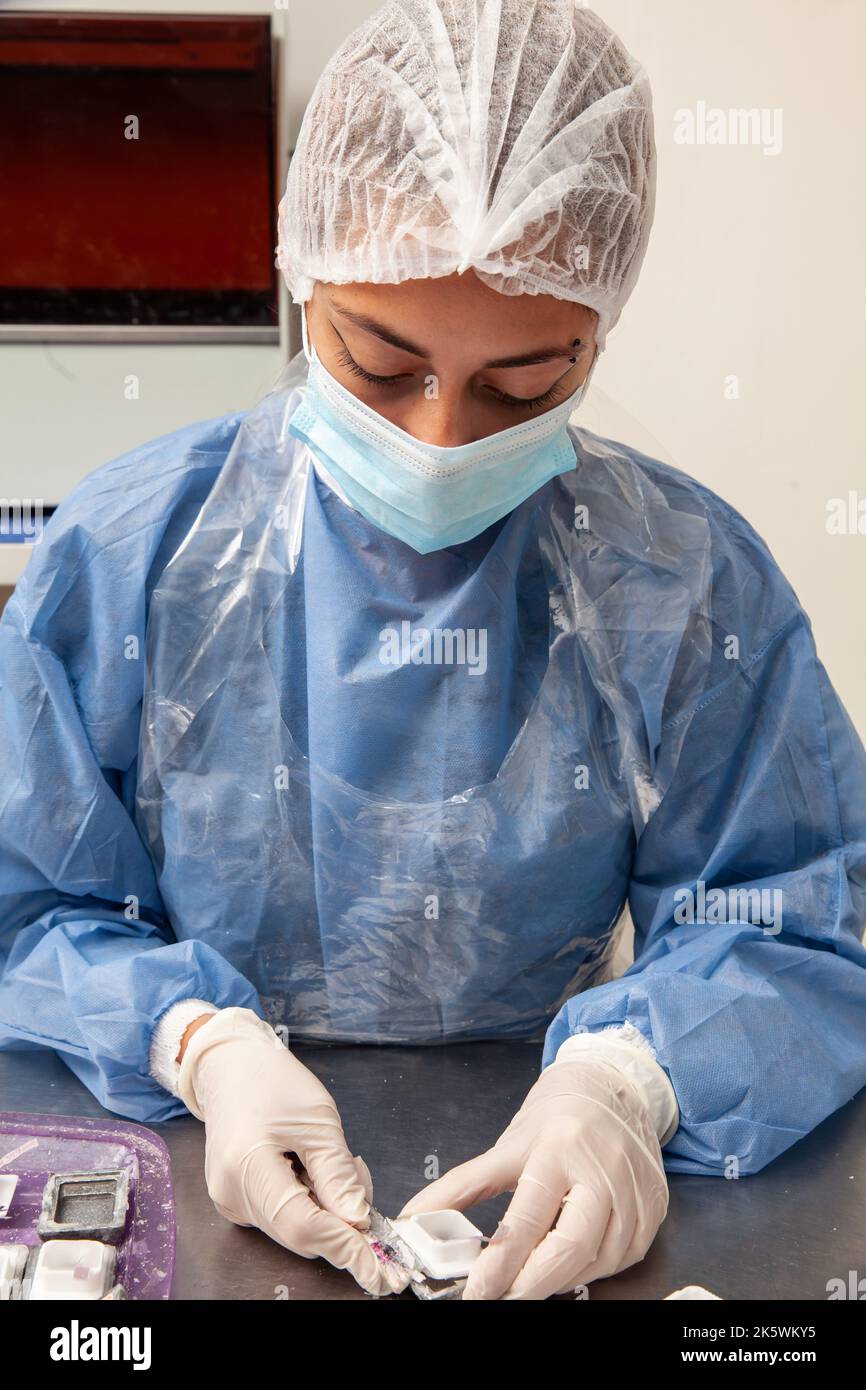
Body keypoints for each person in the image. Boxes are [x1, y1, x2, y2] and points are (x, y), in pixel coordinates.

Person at [1, 0, 865, 1302]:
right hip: (188, 1173)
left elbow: (802, 915)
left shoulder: (679, 579)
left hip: (534, 1158)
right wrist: (198, 1040)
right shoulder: (137, 551)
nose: (441, 434)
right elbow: (27, 900)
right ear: (301, 272)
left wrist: (628, 1079)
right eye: (376, 356)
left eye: (524, 384)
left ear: (598, 335)